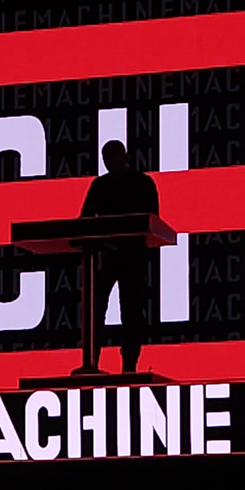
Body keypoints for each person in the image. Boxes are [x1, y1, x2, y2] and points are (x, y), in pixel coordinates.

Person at [80, 140, 160, 373]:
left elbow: (151, 220)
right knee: (96, 310)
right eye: (106, 158)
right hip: (105, 256)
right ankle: (92, 361)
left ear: (124, 156)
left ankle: (129, 366)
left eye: (112, 156)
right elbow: (84, 219)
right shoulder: (100, 185)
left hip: (132, 256)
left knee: (131, 311)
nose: (109, 162)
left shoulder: (142, 183)